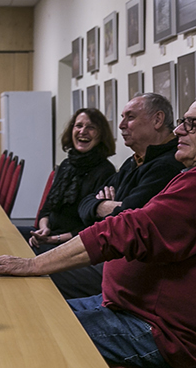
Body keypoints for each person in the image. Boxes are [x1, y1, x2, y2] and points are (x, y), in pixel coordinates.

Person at [0, 92, 196, 368]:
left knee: (20, 327)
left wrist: (33, 264)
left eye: (193, 124)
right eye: (183, 121)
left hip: (153, 330)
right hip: (127, 307)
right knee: (20, 311)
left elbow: (125, 228)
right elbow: (126, 221)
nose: (179, 130)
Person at [48, 93, 183, 300]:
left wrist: (103, 205)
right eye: (122, 117)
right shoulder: (134, 161)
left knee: (44, 275)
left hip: (127, 267)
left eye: (130, 117)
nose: (121, 125)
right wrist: (104, 205)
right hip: (108, 253)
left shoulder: (167, 165)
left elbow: (127, 219)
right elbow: (85, 204)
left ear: (157, 120)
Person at [27, 108, 117, 253]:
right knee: (6, 238)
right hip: (48, 235)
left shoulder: (106, 171)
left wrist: (55, 239)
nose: (83, 131)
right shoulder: (66, 164)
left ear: (101, 135)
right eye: (79, 126)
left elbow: (95, 226)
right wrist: (43, 230)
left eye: (91, 127)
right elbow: (46, 209)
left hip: (74, 245)